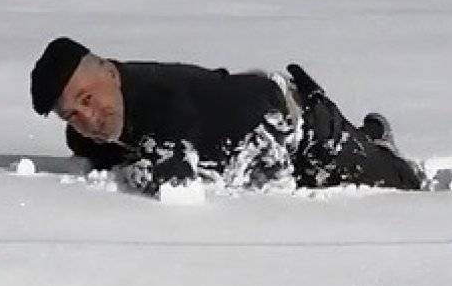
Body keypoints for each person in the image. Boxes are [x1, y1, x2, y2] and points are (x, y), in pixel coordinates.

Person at [30, 37, 426, 196]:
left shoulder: (161, 101)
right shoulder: (84, 137)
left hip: (298, 126)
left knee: (404, 187)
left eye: (87, 97)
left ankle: (377, 143)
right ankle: (367, 133)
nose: (87, 116)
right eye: (72, 114)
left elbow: (175, 180)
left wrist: (129, 174)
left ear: (111, 73)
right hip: (255, 154)